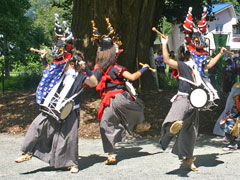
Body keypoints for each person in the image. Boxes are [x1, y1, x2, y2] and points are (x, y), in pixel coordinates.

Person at [159, 34, 226, 171]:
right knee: (172, 119)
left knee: (190, 131)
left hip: (195, 102)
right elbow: (166, 60)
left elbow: (210, 64)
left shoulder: (198, 66)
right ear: (189, 53)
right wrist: (164, 43)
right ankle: (171, 130)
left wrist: (220, 54)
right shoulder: (182, 65)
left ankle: (188, 158)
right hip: (183, 98)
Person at [91, 18, 151, 165]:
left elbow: (91, 81)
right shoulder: (111, 68)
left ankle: (113, 151)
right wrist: (144, 68)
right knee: (112, 120)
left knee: (107, 123)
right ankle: (137, 126)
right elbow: (133, 77)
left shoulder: (103, 68)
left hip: (113, 99)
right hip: (115, 99)